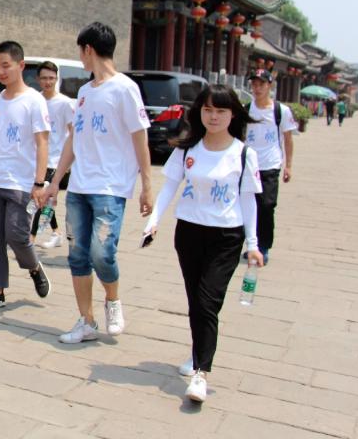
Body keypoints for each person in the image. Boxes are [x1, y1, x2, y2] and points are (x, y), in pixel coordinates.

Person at [143, 84, 264, 404]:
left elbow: (249, 201)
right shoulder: (187, 150)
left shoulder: (244, 154)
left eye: (221, 111)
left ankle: (200, 372)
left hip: (226, 237)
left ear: (233, 115)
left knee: (207, 302)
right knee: (196, 300)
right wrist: (153, 221)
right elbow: (169, 187)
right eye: (208, 110)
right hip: (189, 233)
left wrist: (253, 244)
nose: (213, 117)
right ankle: (199, 351)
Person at [39, 22, 152, 343]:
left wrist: (147, 186)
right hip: (79, 187)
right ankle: (86, 321)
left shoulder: (125, 88)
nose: (80, 56)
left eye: (80, 51)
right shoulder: (85, 93)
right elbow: (73, 140)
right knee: (78, 256)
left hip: (110, 188)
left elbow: (140, 137)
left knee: (102, 253)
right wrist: (55, 182)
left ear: (88, 49)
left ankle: (112, 301)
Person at [0, 41, 51, 311]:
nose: (1, 71)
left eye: (6, 65)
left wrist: (39, 182)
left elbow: (42, 143)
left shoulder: (34, 101)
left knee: (17, 235)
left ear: (21, 65)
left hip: (21, 183)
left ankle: (34, 266)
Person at [246, 69, 295, 264]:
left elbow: (288, 139)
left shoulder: (280, 111)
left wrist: (288, 165)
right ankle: (251, 245)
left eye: (261, 84)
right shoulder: (246, 109)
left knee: (266, 206)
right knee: (248, 206)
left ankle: (264, 246)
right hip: (249, 166)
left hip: (270, 165)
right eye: (254, 84)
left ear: (269, 86)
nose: (257, 88)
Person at [32, 61, 75, 249]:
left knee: (41, 198)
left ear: (57, 79)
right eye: (44, 78)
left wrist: (70, 161)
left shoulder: (65, 103)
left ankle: (30, 240)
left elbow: (73, 133)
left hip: (56, 160)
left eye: (51, 78)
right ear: (38, 79)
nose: (48, 82)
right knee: (44, 199)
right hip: (37, 158)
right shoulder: (35, 100)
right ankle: (56, 233)